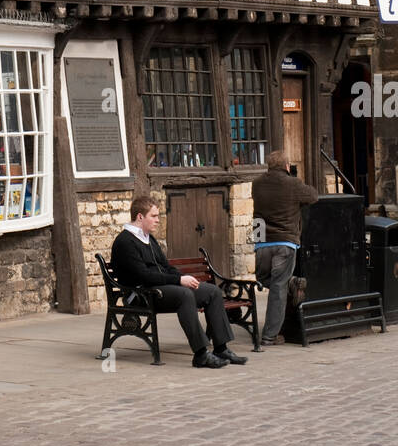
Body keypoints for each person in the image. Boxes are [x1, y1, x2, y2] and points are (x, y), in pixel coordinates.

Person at [110, 196, 247, 368]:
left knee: (211, 291)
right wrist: (179, 280)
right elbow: (143, 276)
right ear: (140, 217)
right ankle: (201, 354)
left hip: (159, 289)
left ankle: (221, 348)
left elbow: (165, 267)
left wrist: (184, 278)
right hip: (140, 295)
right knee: (184, 295)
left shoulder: (148, 238)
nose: (158, 220)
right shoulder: (125, 242)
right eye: (154, 216)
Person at [251, 150, 318, 346]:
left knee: (263, 279)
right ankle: (270, 336)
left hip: (261, 239)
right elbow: (313, 196)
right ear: (287, 166)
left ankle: (290, 284)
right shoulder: (293, 183)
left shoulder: (257, 183)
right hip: (285, 242)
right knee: (279, 287)